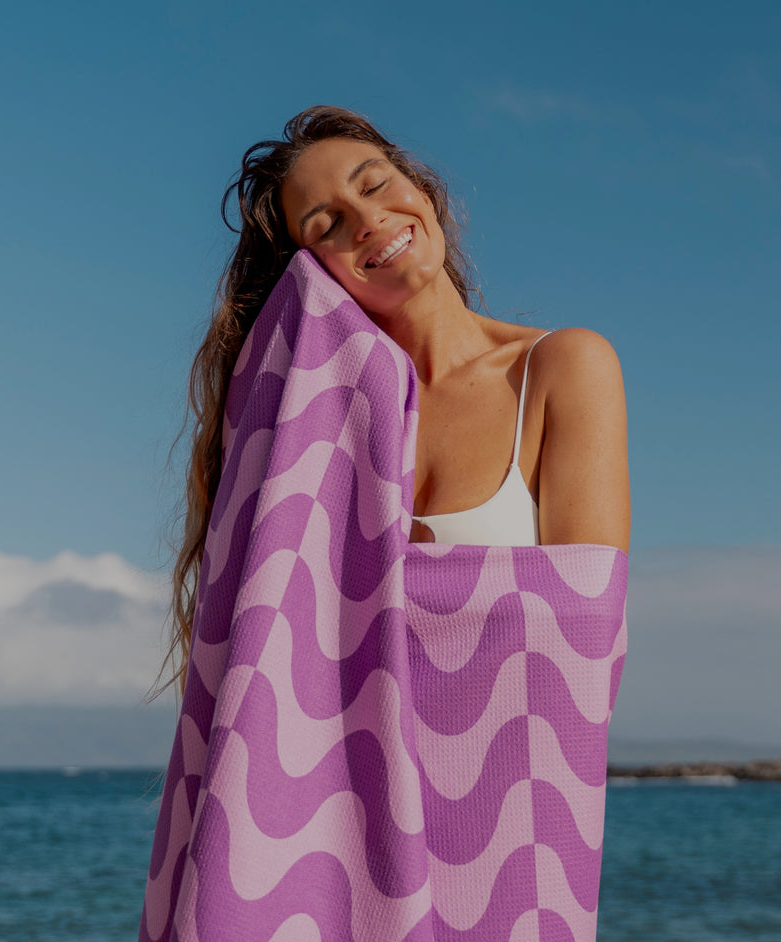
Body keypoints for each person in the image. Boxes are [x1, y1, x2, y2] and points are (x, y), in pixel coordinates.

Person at [164, 105, 630, 691]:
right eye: (327, 225)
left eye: (375, 184)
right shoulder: (311, 431)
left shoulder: (561, 367)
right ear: (309, 277)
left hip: (525, 746)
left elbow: (587, 630)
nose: (368, 220)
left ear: (424, 192)